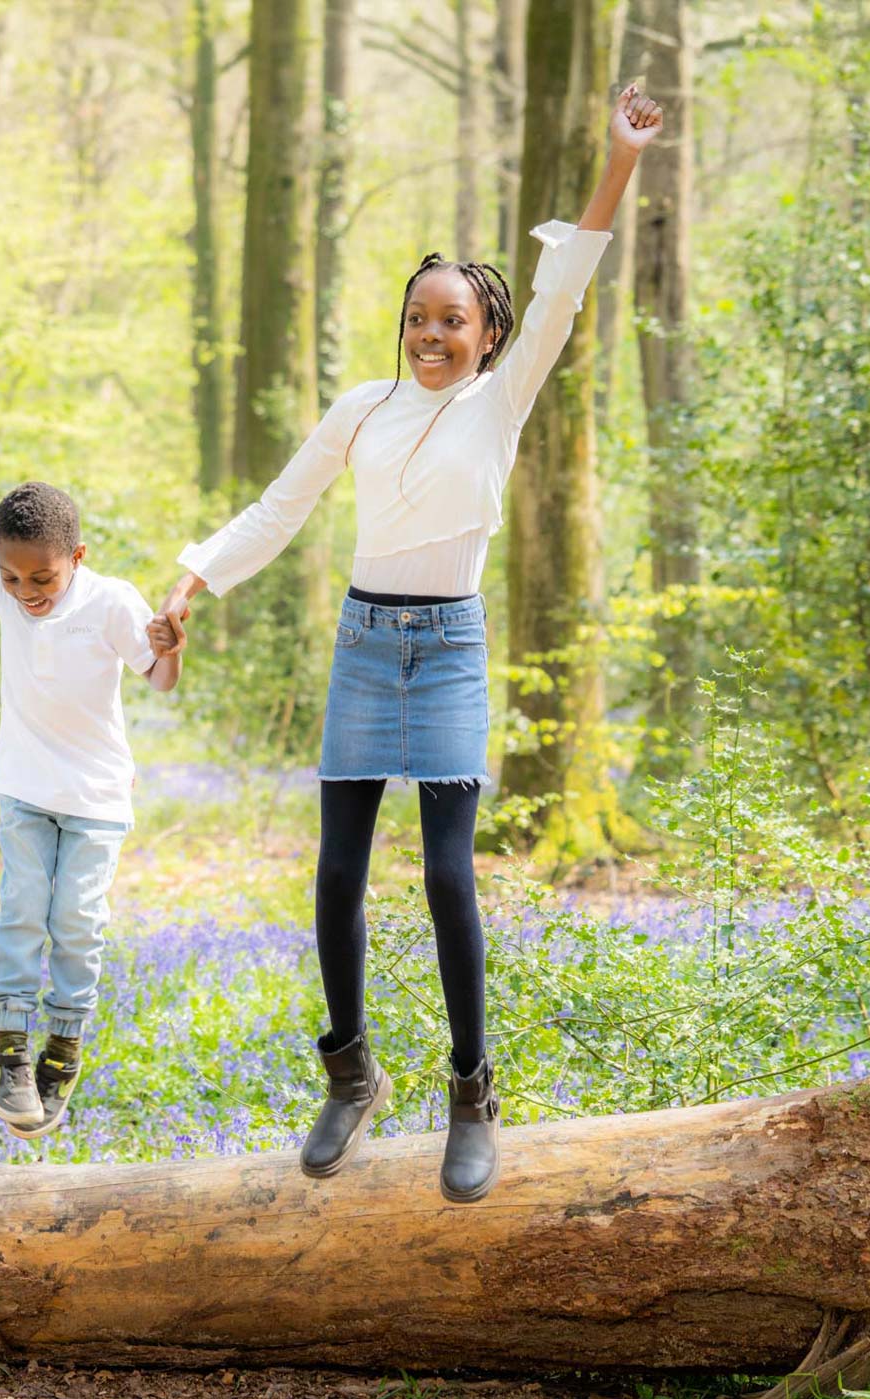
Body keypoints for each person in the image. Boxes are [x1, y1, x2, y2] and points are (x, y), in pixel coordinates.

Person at [155, 85, 665, 1197]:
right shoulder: (362, 409)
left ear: (487, 339)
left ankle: (471, 1090)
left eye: (454, 323)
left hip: (447, 652)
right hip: (360, 642)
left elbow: (565, 286)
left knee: (444, 877)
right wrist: (194, 574)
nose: (432, 336)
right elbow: (280, 507)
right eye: (418, 320)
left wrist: (617, 158)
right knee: (336, 873)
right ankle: (349, 1075)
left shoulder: (500, 400)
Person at [0, 410, 182, 1138]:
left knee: (77, 923)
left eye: (43, 575)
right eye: (11, 576)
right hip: (25, 786)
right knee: (20, 912)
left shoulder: (110, 600)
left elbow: (159, 678)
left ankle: (62, 1045)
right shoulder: (4, 585)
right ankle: (10, 1049)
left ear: (78, 556)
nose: (26, 589)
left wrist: (173, 644)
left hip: (98, 794)